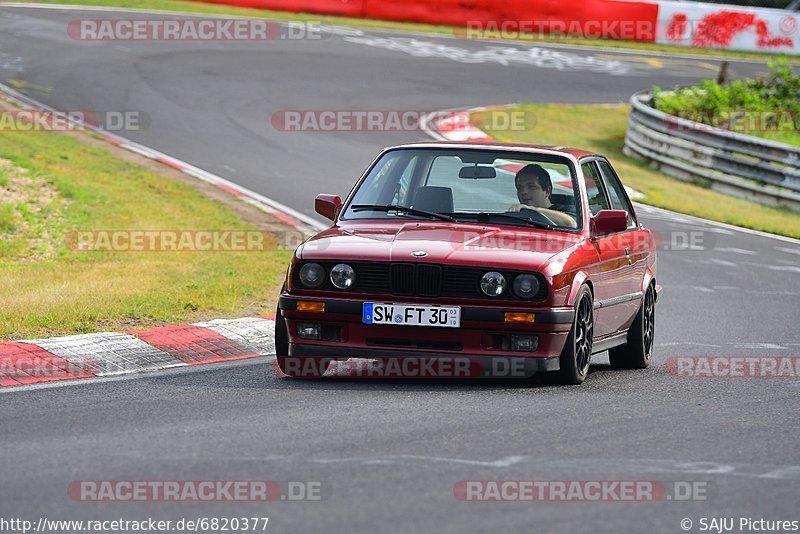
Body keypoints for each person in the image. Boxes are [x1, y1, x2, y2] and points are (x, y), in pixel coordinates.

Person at [508, 164, 577, 227]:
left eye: (531, 186)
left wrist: (532, 210)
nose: (524, 192)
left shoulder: (568, 209)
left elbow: (570, 223)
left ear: (547, 191)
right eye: (520, 188)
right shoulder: (517, 215)